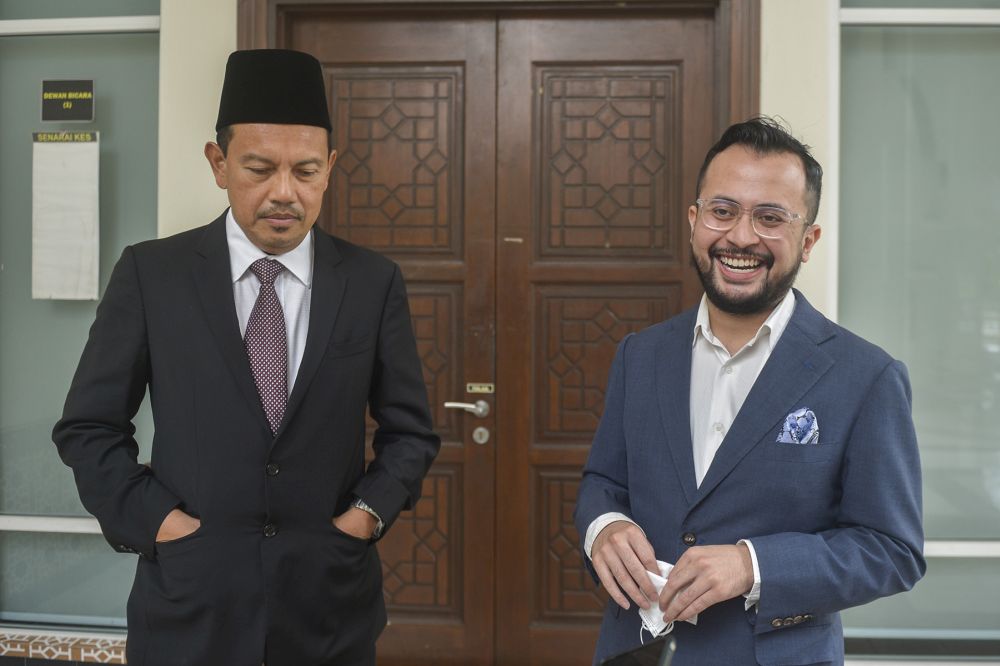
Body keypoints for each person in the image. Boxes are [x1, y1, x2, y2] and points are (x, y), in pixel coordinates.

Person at [52, 49, 439, 666]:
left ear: (331, 168)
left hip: (328, 610)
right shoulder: (153, 275)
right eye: (258, 168)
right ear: (218, 163)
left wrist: (365, 517)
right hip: (189, 606)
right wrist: (159, 525)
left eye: (306, 171)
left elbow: (411, 432)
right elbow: (88, 427)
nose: (284, 193)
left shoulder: (371, 282)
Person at [574, 117, 924, 666]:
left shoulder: (867, 377)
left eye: (770, 218)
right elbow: (603, 481)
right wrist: (604, 526)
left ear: (807, 240)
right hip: (633, 650)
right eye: (722, 210)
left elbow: (892, 551)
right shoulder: (639, 355)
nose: (740, 236)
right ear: (694, 222)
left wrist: (753, 564)